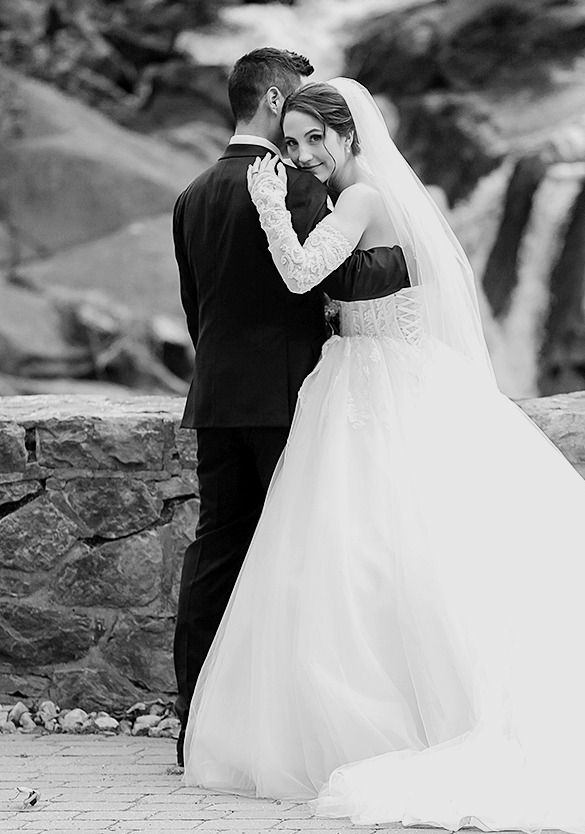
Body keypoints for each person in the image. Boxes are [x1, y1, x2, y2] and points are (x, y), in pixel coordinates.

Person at [184, 78, 585, 833]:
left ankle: (405, 720)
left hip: (375, 387)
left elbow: (304, 274)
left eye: (318, 138)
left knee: (382, 550)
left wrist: (271, 205)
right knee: (373, 555)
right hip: (376, 377)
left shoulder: (363, 198)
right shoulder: (380, 193)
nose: (304, 153)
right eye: (294, 141)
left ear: (350, 136)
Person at [172, 55, 409, 768]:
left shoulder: (190, 195)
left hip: (217, 398)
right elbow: (317, 287)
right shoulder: (299, 189)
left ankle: (197, 725)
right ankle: (297, 731)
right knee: (303, 561)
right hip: (291, 401)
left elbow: (196, 308)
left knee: (216, 556)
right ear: (274, 100)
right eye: (294, 115)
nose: (302, 142)